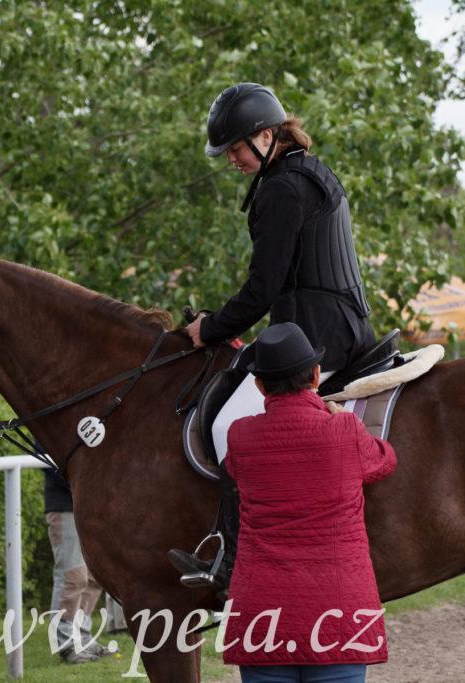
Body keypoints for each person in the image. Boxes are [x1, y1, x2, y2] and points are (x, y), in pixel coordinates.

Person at [173, 82, 377, 588]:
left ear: (266, 136)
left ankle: (232, 563)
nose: (231, 160)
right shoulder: (308, 172)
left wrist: (209, 328)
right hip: (336, 324)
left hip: (315, 336)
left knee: (227, 426)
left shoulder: (282, 188)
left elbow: (262, 289)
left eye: (236, 148)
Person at [220, 323, 396, 683]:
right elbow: (384, 460)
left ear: (259, 386)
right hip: (339, 614)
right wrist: (348, 421)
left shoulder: (239, 434)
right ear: (316, 375)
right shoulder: (344, 430)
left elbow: (235, 470)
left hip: (262, 618)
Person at [43, 467, 112, 664]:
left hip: (91, 506)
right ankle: (66, 643)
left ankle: (82, 636)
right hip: (65, 506)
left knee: (93, 576)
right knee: (72, 577)